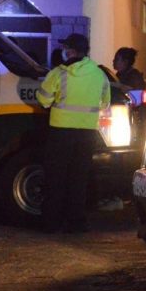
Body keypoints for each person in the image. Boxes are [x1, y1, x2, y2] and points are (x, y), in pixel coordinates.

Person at [36, 33, 110, 233]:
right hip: (87, 134)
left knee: (56, 178)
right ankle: (76, 223)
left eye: (66, 47)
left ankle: (52, 223)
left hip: (61, 132)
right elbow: (105, 102)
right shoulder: (99, 74)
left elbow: (43, 100)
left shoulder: (59, 73)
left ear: (71, 51)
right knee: (78, 179)